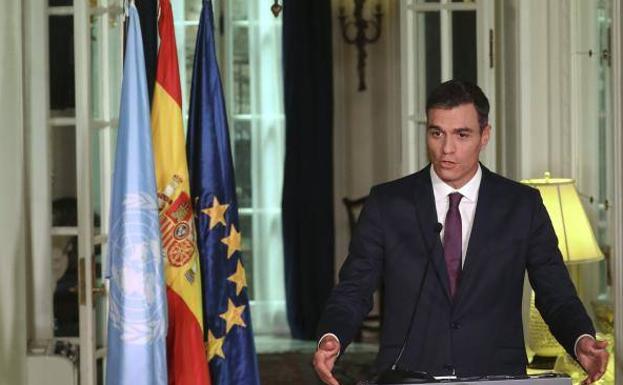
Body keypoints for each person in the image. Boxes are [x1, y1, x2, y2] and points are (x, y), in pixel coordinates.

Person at [312, 80, 609, 385]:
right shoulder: (387, 203)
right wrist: (332, 335)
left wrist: (579, 339)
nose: (446, 149)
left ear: (485, 136)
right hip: (406, 374)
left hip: (495, 373)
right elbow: (354, 287)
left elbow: (555, 292)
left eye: (461, 134)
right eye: (436, 133)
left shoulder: (522, 205)